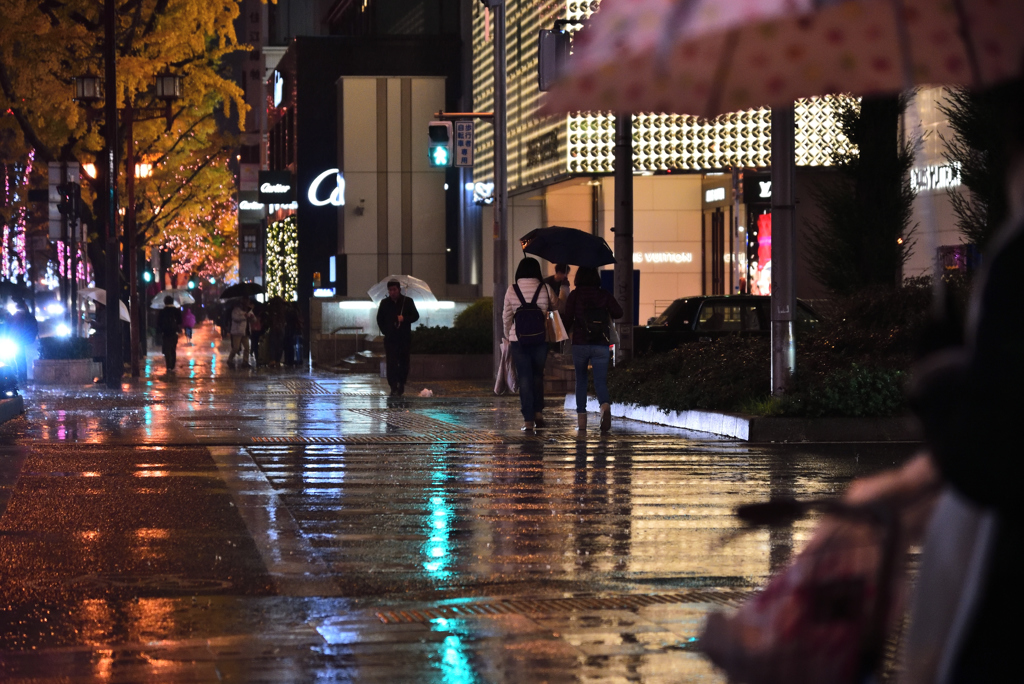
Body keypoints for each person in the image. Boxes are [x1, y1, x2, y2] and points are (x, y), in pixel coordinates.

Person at [564, 266, 622, 432]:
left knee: (581, 380)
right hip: (601, 344)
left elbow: (567, 319)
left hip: (580, 344)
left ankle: (582, 421)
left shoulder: (575, 296)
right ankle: (604, 406)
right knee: (600, 381)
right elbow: (619, 312)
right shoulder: (603, 294)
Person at [502, 257, 555, 431]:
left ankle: (528, 420)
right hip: (541, 338)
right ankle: (539, 412)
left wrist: (508, 333)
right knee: (538, 375)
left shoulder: (512, 289)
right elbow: (555, 305)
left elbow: (507, 316)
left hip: (519, 340)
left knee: (524, 377)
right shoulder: (545, 288)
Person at [376, 280, 420, 396]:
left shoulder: (407, 301)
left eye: (394, 290)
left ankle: (401, 383)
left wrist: (404, 318)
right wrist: (386, 331)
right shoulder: (384, 303)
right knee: (391, 363)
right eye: (390, 290)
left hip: (404, 338)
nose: (392, 292)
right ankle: (393, 385)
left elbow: (415, 316)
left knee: (404, 362)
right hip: (391, 338)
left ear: (399, 290)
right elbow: (380, 319)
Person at [9, 296, 38, 382]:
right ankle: (18, 378)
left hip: (22, 342)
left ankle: (21, 378)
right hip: (16, 341)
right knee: (16, 360)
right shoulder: (15, 317)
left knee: (20, 360)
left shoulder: (26, 317)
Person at [156, 296, 182, 372]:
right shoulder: (176, 310)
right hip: (174, 332)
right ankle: (173, 365)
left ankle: (168, 366)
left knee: (167, 349)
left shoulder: (162, 311)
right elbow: (180, 321)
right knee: (173, 349)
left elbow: (159, 323)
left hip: (165, 333)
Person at [227, 299, 255, 368]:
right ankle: (230, 360)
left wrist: (252, 317)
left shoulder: (249, 310)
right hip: (237, 331)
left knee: (247, 347)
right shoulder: (236, 310)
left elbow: (254, 319)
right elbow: (235, 318)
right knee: (236, 348)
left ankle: (245, 361)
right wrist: (244, 316)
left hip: (246, 331)